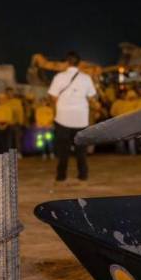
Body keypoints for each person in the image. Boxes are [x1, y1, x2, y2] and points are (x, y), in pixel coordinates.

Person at [47, 51, 96, 182]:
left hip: (63, 119)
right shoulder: (86, 78)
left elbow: (52, 96)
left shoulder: (58, 77)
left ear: (67, 62)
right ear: (79, 63)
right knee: (81, 150)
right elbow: (92, 96)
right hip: (81, 119)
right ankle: (83, 175)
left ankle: (61, 176)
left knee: (63, 150)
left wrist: (62, 104)